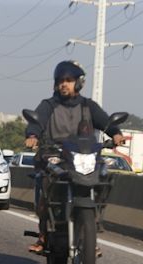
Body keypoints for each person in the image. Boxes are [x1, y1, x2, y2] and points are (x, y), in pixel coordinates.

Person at [24, 60, 124, 253]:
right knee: (46, 184)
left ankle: (90, 234)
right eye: (61, 80)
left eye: (69, 80)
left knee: (103, 176)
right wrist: (32, 136)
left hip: (84, 155)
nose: (64, 84)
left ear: (78, 82)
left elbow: (105, 121)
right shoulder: (48, 105)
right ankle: (44, 234)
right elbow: (36, 122)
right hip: (55, 154)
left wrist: (116, 134)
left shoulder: (88, 106)